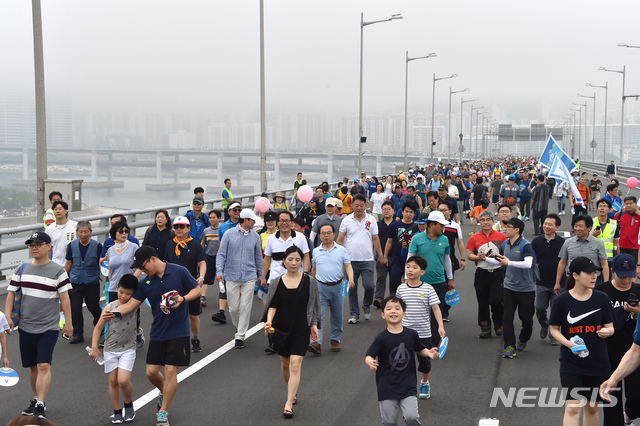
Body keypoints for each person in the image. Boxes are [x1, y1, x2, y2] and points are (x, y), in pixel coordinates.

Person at [104, 246, 201, 426]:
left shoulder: (179, 272)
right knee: (151, 372)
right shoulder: (145, 283)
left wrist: (183, 299)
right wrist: (113, 311)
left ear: (153, 259)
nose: (142, 270)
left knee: (171, 370)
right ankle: (165, 391)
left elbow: (197, 289)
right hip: (158, 331)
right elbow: (131, 305)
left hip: (178, 331)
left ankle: (163, 412)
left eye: (143, 265)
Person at [4, 232, 73, 420]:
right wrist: (8, 317)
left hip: (48, 327)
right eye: (31, 245)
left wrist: (68, 323)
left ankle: (41, 403)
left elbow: (65, 299)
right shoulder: (22, 268)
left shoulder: (58, 271)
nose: (34, 248)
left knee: (43, 365)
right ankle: (36, 399)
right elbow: (11, 293)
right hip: (26, 326)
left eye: (38, 244)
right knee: (33, 367)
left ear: (49, 246)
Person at [549, 257, 615, 426]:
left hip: (598, 363)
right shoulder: (562, 300)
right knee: (572, 408)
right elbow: (554, 329)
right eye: (589, 273)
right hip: (571, 363)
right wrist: (569, 344)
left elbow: (610, 327)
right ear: (576, 275)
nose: (594, 277)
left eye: (595, 273)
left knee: (592, 408)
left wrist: (607, 331)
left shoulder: (602, 298)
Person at [262, 246, 321, 419]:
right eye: (290, 259)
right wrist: (269, 320)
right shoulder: (276, 282)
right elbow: (272, 304)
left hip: (302, 328)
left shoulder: (310, 281)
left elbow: (314, 305)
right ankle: (292, 391)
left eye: (297, 259)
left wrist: (314, 325)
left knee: (295, 364)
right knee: (285, 364)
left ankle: (288, 403)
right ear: (284, 261)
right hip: (282, 328)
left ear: (301, 261)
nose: (294, 263)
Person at [365, 296, 439, 426]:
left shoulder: (411, 334)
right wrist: (370, 362)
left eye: (397, 308)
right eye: (389, 309)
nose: (393, 311)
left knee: (412, 417)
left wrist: (428, 352)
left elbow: (419, 349)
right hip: (386, 386)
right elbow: (369, 355)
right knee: (390, 422)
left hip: (407, 384)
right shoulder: (381, 338)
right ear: (383, 315)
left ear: (404, 314)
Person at [595, 253, 640, 425]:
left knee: (636, 396)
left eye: (630, 276)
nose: (626, 280)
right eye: (622, 276)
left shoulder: (638, 290)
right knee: (611, 399)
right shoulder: (601, 291)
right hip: (608, 353)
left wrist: (638, 311)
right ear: (613, 271)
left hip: (635, 353)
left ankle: (628, 415)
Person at [90, 274, 139, 424]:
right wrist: (94, 347)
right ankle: (117, 410)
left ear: (134, 294)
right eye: (121, 292)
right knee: (112, 381)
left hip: (128, 347)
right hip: (111, 348)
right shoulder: (109, 306)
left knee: (123, 380)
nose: (124, 296)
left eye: (128, 293)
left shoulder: (135, 304)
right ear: (116, 288)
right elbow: (98, 328)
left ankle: (128, 404)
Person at [484, 218, 536, 359]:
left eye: (508, 226)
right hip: (509, 288)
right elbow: (501, 260)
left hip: (526, 289)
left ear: (517, 229)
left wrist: (509, 262)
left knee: (527, 321)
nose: (504, 228)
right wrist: (486, 259)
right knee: (507, 318)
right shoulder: (506, 243)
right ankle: (509, 346)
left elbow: (528, 264)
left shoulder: (526, 245)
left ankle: (524, 338)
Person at [395, 255, 445, 399]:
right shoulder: (401, 288)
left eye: (415, 267)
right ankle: (406, 385)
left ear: (422, 272)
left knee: (425, 361)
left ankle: (424, 382)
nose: (410, 270)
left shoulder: (428, 289)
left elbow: (435, 308)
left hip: (423, 333)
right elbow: (397, 309)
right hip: (404, 332)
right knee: (403, 361)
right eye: (408, 267)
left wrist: (440, 326)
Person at [216, 209, 263, 349]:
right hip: (231, 275)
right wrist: (219, 271)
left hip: (249, 276)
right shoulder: (228, 234)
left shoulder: (255, 236)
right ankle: (239, 326)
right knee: (234, 308)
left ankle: (240, 336)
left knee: (245, 307)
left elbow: (258, 257)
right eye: (252, 220)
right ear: (245, 220)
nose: (254, 222)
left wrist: (261, 275)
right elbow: (221, 254)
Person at [337, 194, 385, 324]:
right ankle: (354, 314)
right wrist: (336, 254)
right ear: (352, 206)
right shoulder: (346, 220)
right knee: (352, 287)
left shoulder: (371, 220)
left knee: (369, 286)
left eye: (361, 205)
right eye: (356, 205)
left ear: (365, 205)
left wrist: (380, 255)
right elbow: (340, 239)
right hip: (350, 260)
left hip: (367, 259)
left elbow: (375, 238)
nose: (359, 208)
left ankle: (366, 305)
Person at [308, 223, 353, 354]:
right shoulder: (316, 251)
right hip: (321, 286)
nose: (326, 235)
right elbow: (314, 269)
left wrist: (351, 279)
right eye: (323, 233)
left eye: (329, 233)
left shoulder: (341, 250)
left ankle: (335, 339)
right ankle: (316, 342)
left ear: (334, 234)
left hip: (338, 286)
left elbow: (348, 266)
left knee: (337, 315)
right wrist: (314, 284)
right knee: (318, 316)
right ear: (320, 235)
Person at [164, 216, 206, 353]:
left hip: (190, 284)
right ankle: (176, 339)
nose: (179, 229)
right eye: (176, 227)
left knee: (193, 314)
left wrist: (201, 277)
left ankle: (195, 338)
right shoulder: (169, 244)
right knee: (173, 312)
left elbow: (201, 263)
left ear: (188, 228)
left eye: (182, 226)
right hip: (173, 284)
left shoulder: (194, 245)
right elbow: (165, 263)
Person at [467, 210, 507, 338]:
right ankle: (485, 327)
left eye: (488, 220)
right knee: (482, 301)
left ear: (492, 221)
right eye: (482, 220)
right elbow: (469, 255)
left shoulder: (501, 236)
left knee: (496, 300)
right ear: (479, 222)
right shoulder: (474, 237)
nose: (485, 222)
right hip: (482, 273)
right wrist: (478, 257)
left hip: (497, 272)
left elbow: (506, 252)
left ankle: (498, 323)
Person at [64, 221, 103, 344]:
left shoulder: (97, 246)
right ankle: (78, 333)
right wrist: (63, 279)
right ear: (77, 232)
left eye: (86, 231)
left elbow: (102, 262)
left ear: (91, 232)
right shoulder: (72, 245)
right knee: (75, 308)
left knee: (93, 306)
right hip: (75, 281)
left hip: (92, 281)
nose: (83, 234)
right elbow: (68, 263)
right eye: (80, 232)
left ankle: (99, 323)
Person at [532, 213, 565, 345]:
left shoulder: (563, 243)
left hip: (559, 283)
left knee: (556, 310)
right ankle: (544, 324)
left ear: (557, 227)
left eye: (550, 224)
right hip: (541, 282)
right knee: (540, 308)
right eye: (545, 223)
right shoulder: (536, 242)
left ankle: (553, 334)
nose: (546, 226)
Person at [555, 215, 609, 293]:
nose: (577, 229)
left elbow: (604, 264)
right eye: (575, 226)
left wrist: (605, 284)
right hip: (573, 280)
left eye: (581, 226)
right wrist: (557, 282)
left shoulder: (598, 243)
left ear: (589, 228)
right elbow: (562, 263)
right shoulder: (568, 243)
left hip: (592, 280)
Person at [383, 202, 418, 296]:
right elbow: (389, 241)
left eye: (411, 212)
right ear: (402, 212)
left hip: (412, 261)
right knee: (394, 283)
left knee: (411, 285)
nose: (408, 214)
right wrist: (385, 256)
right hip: (396, 259)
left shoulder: (417, 227)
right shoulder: (394, 225)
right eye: (406, 211)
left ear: (414, 214)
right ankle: (394, 302)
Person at [374, 201, 396, 308]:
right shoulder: (377, 225)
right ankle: (379, 298)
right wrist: (380, 255)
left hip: (394, 256)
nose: (386, 211)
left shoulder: (397, 225)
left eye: (388, 209)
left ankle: (394, 298)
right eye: (384, 209)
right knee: (381, 277)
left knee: (394, 278)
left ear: (393, 210)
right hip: (380, 255)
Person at [45, 200, 78, 267]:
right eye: (55, 209)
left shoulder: (75, 225)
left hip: (73, 262)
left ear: (65, 211)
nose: (57, 211)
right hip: (56, 263)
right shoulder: (49, 229)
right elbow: (47, 248)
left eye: (60, 209)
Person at [200, 210, 221, 309]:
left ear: (219, 218)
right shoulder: (206, 230)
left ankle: (222, 296)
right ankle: (202, 297)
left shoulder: (222, 230)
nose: (211, 219)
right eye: (210, 218)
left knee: (220, 278)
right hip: (208, 257)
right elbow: (202, 244)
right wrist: (200, 255)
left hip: (220, 258)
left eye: (214, 217)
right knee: (205, 278)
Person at [592, 198, 619, 265]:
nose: (602, 208)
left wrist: (617, 258)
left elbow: (616, 243)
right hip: (593, 257)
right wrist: (593, 235)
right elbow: (584, 239)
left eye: (605, 206)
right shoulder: (591, 222)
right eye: (600, 206)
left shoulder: (614, 224)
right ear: (597, 210)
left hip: (608, 258)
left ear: (609, 210)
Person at [615, 196, 640, 263]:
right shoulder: (619, 215)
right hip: (621, 246)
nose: (628, 205)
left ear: (635, 204)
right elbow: (613, 229)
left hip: (634, 247)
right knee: (621, 267)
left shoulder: (638, 216)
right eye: (626, 204)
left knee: (632, 268)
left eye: (630, 203)